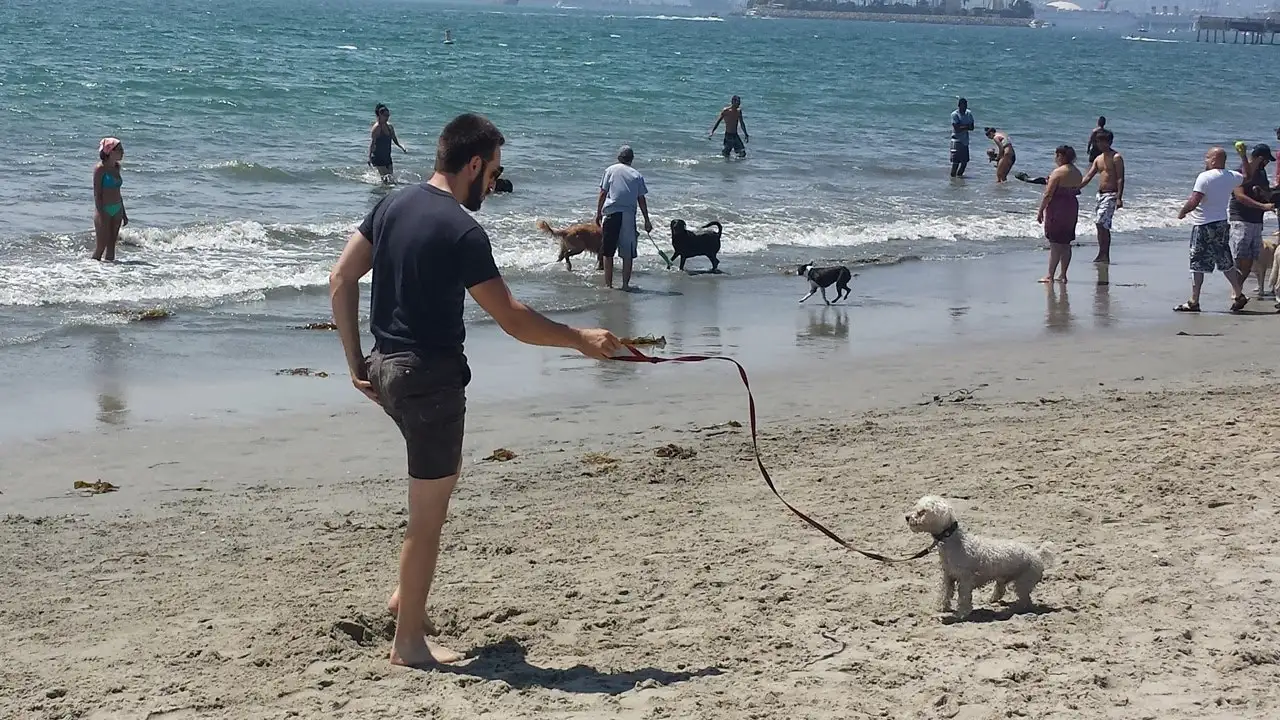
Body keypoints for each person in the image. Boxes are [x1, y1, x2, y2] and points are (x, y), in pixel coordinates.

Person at [328, 113, 623, 668]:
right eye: (494, 171)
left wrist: (355, 365)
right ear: (472, 164)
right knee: (428, 516)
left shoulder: (392, 205)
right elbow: (511, 317)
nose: (495, 183)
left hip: (386, 370)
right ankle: (409, 644)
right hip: (429, 380)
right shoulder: (463, 230)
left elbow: (340, 278)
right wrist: (579, 338)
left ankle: (402, 599)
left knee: (437, 484)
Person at [1175, 147, 1271, 313]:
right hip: (1221, 224)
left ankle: (1194, 301)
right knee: (1225, 261)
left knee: (1197, 263)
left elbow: (1195, 200)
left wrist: (1183, 212)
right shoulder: (1230, 176)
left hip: (1204, 225)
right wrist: (1242, 156)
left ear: (1213, 160)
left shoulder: (1204, 177)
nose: (1205, 160)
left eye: (1207, 157)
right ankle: (1239, 294)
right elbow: (1247, 176)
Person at [594, 145, 652, 291]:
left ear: (618, 157)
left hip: (612, 214)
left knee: (608, 252)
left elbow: (603, 193)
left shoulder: (610, 170)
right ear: (631, 159)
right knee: (628, 253)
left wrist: (598, 213)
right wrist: (646, 220)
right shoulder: (637, 175)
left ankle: (609, 285)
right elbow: (641, 199)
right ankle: (625, 284)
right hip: (628, 216)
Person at [1227, 144, 1276, 292]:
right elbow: (1240, 196)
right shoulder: (1239, 172)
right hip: (1240, 219)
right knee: (1240, 257)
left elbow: (1267, 194)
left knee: (1251, 260)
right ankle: (1235, 292)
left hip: (1256, 221)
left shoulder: (1261, 175)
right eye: (1266, 160)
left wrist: (1265, 195)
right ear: (1260, 158)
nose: (1267, 164)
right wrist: (1262, 206)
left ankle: (1238, 291)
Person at [1036, 145, 1083, 284]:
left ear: (1061, 156)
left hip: (1057, 208)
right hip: (1071, 207)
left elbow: (1048, 194)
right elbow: (1075, 188)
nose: (1055, 158)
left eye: (1056, 155)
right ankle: (1063, 274)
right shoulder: (1077, 172)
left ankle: (1050, 275)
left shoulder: (1058, 172)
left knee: (1055, 244)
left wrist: (1040, 211)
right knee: (1066, 243)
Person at [1078, 129, 1125, 264]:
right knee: (1100, 225)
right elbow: (1088, 176)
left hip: (1111, 194)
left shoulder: (1116, 157)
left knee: (1102, 223)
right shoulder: (1098, 159)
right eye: (1098, 142)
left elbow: (1120, 178)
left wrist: (1119, 197)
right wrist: (1076, 188)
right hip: (1100, 195)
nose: (1100, 144)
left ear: (1109, 142)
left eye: (1103, 142)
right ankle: (1102, 253)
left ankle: (1105, 254)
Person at [93, 137, 128, 262]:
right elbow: (97, 194)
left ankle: (109, 275)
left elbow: (118, 192)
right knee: (101, 247)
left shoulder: (116, 167)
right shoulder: (100, 169)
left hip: (117, 208)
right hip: (104, 210)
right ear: (111, 151)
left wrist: (124, 213)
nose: (123, 152)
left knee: (112, 246)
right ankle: (92, 272)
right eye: (120, 150)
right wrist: (101, 213)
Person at [369, 103, 407, 184]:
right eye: (385, 115)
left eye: (388, 115)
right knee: (387, 180)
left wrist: (401, 146)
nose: (387, 117)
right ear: (380, 115)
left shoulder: (390, 127)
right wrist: (369, 157)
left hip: (387, 157)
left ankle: (384, 193)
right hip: (378, 157)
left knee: (390, 178)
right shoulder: (376, 128)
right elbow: (372, 144)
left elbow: (394, 139)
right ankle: (382, 195)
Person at [949, 98, 975, 178]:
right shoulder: (955, 114)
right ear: (959, 106)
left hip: (965, 141)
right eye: (963, 106)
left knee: (964, 162)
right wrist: (966, 126)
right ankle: (953, 179)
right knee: (955, 163)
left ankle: (959, 179)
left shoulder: (968, 113)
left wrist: (962, 126)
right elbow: (957, 129)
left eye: (966, 106)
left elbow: (972, 127)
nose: (964, 108)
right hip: (956, 140)